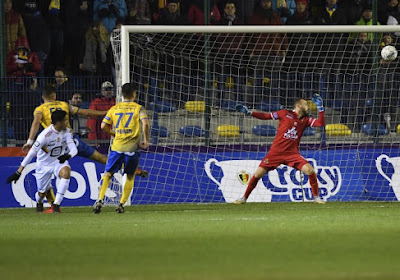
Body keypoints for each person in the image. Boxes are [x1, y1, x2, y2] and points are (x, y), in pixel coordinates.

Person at [234, 94, 326, 204]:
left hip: (292, 154)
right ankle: (244, 198)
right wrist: (250, 113)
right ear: (298, 105)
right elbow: (266, 116)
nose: (308, 107)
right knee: (258, 174)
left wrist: (321, 108)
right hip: (275, 153)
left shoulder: (306, 120)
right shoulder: (284, 113)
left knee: (310, 171)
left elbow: (321, 123)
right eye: (305, 104)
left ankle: (316, 198)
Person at [93, 83, 150, 214]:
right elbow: (145, 123)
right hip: (132, 148)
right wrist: (146, 140)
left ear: (122, 94)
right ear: (134, 94)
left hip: (117, 147)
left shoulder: (114, 108)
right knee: (130, 176)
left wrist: (114, 134)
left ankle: (100, 200)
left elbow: (103, 126)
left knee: (108, 174)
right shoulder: (139, 108)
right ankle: (121, 204)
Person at [6, 109, 77, 213]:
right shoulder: (44, 135)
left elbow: (74, 149)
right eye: (65, 121)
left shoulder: (66, 132)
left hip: (58, 162)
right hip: (44, 165)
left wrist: (67, 156)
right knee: (41, 193)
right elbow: (31, 154)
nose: (67, 122)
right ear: (58, 123)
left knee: (66, 173)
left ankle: (56, 204)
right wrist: (19, 172)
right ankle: (39, 202)